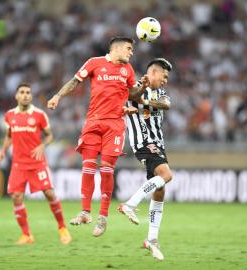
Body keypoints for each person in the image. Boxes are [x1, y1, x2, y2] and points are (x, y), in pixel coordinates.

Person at [46, 36, 148, 237]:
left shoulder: (128, 70)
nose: (131, 52)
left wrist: (143, 87)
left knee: (107, 170)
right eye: (129, 48)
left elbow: (132, 95)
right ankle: (85, 212)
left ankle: (102, 217)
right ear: (116, 49)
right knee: (88, 167)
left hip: (115, 125)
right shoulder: (94, 63)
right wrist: (58, 96)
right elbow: (75, 81)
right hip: (93, 122)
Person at [0, 83, 72, 245]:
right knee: (16, 197)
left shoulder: (39, 115)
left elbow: (49, 136)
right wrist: (3, 151)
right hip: (18, 164)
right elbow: (9, 135)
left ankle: (62, 228)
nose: (25, 95)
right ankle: (26, 235)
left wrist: (42, 145)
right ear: (16, 96)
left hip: (37, 163)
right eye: (22, 92)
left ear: (31, 96)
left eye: (28, 92)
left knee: (49, 193)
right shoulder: (9, 115)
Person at [118, 58, 173, 260]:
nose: (166, 80)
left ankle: (151, 239)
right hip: (143, 142)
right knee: (167, 175)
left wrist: (144, 102)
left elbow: (166, 104)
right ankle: (130, 204)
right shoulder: (134, 87)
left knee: (160, 190)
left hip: (158, 144)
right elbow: (128, 97)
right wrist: (133, 102)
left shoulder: (161, 94)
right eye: (164, 76)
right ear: (153, 72)